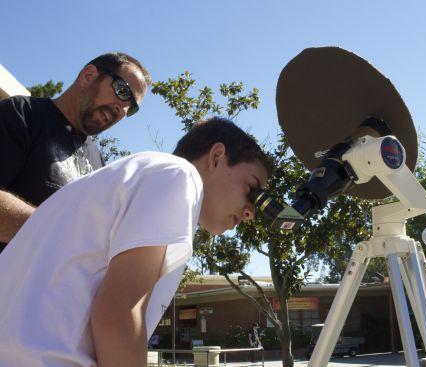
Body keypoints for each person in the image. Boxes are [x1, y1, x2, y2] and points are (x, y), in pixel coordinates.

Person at [0, 117, 273, 366]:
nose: (251, 211)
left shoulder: (128, 178)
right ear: (216, 157)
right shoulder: (179, 175)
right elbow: (117, 314)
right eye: (252, 189)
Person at [0, 52, 150, 252]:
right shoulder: (23, 114)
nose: (121, 109)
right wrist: (65, 237)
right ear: (88, 76)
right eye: (123, 91)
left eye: (131, 107)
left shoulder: (98, 163)